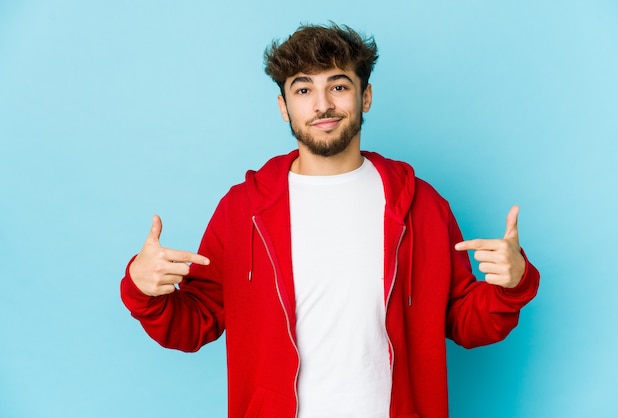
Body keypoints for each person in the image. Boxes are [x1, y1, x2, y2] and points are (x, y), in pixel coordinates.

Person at [120, 23, 540, 418]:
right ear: (284, 107)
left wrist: (511, 285)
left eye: (338, 85)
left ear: (366, 97)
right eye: (303, 89)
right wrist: (143, 291)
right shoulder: (243, 209)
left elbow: (465, 322)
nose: (322, 104)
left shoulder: (421, 204)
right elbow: (194, 323)